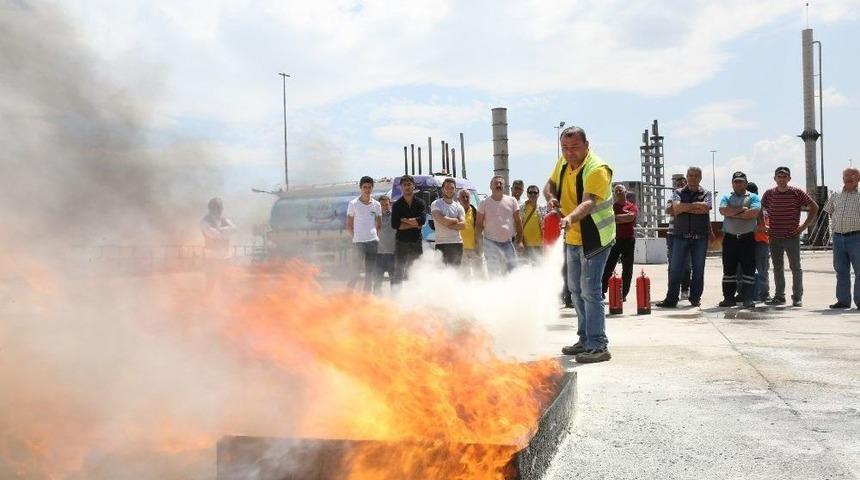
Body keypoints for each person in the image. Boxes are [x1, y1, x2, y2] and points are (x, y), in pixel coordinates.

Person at [544, 126, 615, 364]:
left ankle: (598, 345)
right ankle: (584, 338)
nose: (569, 152)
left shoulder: (597, 169)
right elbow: (549, 185)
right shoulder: (563, 164)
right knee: (575, 290)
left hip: (595, 238)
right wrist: (552, 198)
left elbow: (589, 204)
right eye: (565, 148)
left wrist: (568, 218)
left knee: (591, 292)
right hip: (573, 237)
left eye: (574, 148)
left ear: (587, 145)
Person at [761, 166, 819, 307]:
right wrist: (762, 225)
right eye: (779, 176)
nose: (782, 179)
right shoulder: (769, 194)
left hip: (791, 236)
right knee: (777, 267)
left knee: (795, 267)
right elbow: (760, 210)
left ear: (789, 178)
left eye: (784, 176)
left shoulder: (796, 193)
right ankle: (780, 296)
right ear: (775, 178)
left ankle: (797, 297)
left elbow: (814, 207)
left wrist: (803, 227)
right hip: (774, 236)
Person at [656, 167, 712, 308]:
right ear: (687, 177)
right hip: (680, 236)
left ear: (700, 177)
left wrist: (685, 207)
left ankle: (695, 298)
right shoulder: (677, 193)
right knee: (675, 269)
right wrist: (695, 207)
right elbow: (676, 208)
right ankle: (671, 299)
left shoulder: (707, 193)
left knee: (698, 270)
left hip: (700, 237)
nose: (693, 178)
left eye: (696, 175)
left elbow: (705, 208)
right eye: (690, 175)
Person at [716, 172, 761, 308]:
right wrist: (742, 210)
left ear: (746, 183)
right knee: (729, 270)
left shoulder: (753, 197)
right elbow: (723, 211)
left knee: (748, 270)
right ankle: (728, 298)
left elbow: (754, 213)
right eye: (736, 181)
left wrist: (733, 213)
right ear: (732, 183)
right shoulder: (726, 196)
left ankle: (748, 299)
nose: (738, 184)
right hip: (730, 239)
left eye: (741, 181)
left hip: (747, 238)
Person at [823, 167, 860, 310]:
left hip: (856, 237)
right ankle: (843, 301)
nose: (849, 178)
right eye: (846, 175)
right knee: (841, 271)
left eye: (853, 175)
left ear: (858, 178)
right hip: (838, 238)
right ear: (842, 177)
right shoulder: (835, 194)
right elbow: (829, 211)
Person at [477, 175, 523, 275]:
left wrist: (519, 241)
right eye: (496, 183)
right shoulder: (483, 202)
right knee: (494, 272)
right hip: (490, 243)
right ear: (490, 186)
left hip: (508, 242)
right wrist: (478, 242)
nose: (498, 185)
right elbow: (479, 224)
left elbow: (518, 222)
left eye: (501, 183)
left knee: (513, 271)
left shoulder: (512, 201)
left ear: (504, 186)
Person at [601, 183, 639, 301]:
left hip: (628, 240)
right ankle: (602, 290)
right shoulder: (611, 208)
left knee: (627, 268)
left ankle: (623, 294)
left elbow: (630, 218)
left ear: (625, 192)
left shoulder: (632, 206)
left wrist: (616, 218)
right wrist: (622, 217)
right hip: (614, 240)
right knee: (608, 266)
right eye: (616, 191)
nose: (618, 192)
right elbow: (608, 220)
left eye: (620, 190)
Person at [346, 176, 382, 291]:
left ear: (372, 188)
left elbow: (379, 224)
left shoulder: (376, 205)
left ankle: (366, 300)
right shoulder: (353, 204)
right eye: (365, 187)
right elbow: (349, 225)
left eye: (369, 187)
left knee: (370, 274)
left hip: (372, 242)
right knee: (355, 272)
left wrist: (374, 236)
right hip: (358, 243)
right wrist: (355, 237)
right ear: (360, 188)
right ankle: (347, 295)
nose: (367, 189)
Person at [736, 182, 770, 302]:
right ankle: (759, 294)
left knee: (758, 270)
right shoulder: (744, 207)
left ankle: (763, 294)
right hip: (749, 241)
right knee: (745, 270)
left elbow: (763, 226)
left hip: (759, 241)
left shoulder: (760, 207)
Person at [391, 175, 426, 284]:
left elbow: (422, 221)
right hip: (401, 242)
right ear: (401, 187)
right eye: (404, 185)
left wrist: (405, 220)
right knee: (399, 271)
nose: (407, 187)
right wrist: (414, 224)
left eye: (409, 184)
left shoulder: (420, 203)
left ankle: (415, 296)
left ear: (413, 186)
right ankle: (396, 296)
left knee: (417, 270)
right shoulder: (397, 205)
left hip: (416, 241)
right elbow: (395, 225)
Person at [200, 197, 237, 292]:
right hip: (211, 256)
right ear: (212, 209)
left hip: (225, 256)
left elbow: (234, 229)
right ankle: (207, 302)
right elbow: (212, 234)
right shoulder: (205, 221)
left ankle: (225, 303)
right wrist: (224, 232)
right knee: (210, 282)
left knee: (226, 281)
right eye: (217, 208)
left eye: (220, 208)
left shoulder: (225, 219)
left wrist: (220, 230)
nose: (219, 210)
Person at [666, 175, 692, 299]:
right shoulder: (672, 197)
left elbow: (698, 210)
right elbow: (668, 210)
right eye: (678, 184)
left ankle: (685, 289)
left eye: (683, 183)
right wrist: (685, 208)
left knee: (686, 265)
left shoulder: (691, 196)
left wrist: (679, 208)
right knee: (672, 265)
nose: (681, 185)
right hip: (672, 235)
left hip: (687, 234)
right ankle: (672, 291)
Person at [431, 178, 466, 266]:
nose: (449, 190)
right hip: (441, 243)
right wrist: (455, 220)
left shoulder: (459, 207)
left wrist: (447, 223)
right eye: (447, 187)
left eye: (452, 188)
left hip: (457, 243)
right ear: (442, 189)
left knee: (455, 273)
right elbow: (441, 220)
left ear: (455, 190)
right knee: (440, 273)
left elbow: (463, 225)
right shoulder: (436, 204)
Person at [458, 188, 482, 277]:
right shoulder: (456, 211)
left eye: (467, 197)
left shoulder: (475, 211)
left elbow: (479, 228)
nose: (465, 199)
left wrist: (479, 244)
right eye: (463, 197)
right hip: (461, 249)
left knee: (479, 273)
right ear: (458, 199)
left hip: (474, 248)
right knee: (464, 274)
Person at [375, 194, 396, 291]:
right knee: (377, 281)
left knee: (394, 281)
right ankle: (376, 302)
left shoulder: (396, 216)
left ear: (390, 204)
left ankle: (395, 301)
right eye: (382, 205)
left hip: (393, 253)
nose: (384, 206)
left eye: (386, 204)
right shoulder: (375, 218)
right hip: (379, 254)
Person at [520, 184, 545, 263]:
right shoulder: (522, 208)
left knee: (538, 269)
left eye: (535, 193)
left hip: (539, 246)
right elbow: (517, 226)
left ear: (538, 194)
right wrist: (519, 241)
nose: (533, 194)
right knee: (525, 269)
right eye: (530, 193)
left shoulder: (542, 208)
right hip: (524, 245)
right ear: (527, 194)